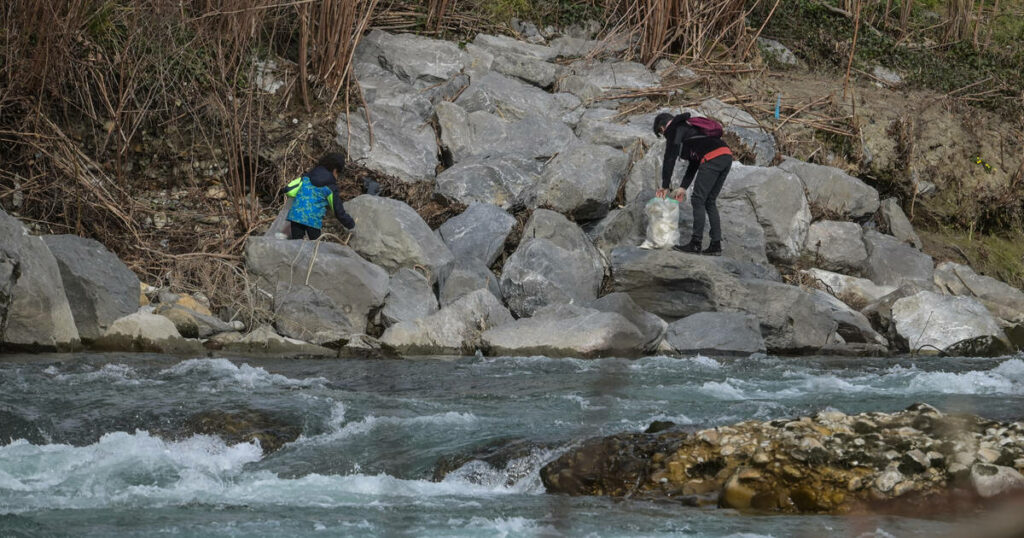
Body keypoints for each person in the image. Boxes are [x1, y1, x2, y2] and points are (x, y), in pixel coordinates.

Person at [653, 112, 732, 255]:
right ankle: (716, 246)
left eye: (661, 132)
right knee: (710, 201)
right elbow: (695, 162)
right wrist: (683, 187)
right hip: (725, 155)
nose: (664, 135)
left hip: (713, 157)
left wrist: (665, 186)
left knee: (697, 200)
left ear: (662, 128)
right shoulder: (689, 128)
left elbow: (669, 158)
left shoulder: (673, 129)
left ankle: (695, 244)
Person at [284, 152, 355, 240]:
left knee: (295, 245)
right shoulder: (330, 188)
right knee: (316, 247)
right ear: (335, 170)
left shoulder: (306, 178)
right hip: (313, 221)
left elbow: (289, 190)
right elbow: (338, 211)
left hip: (296, 216)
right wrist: (350, 224)